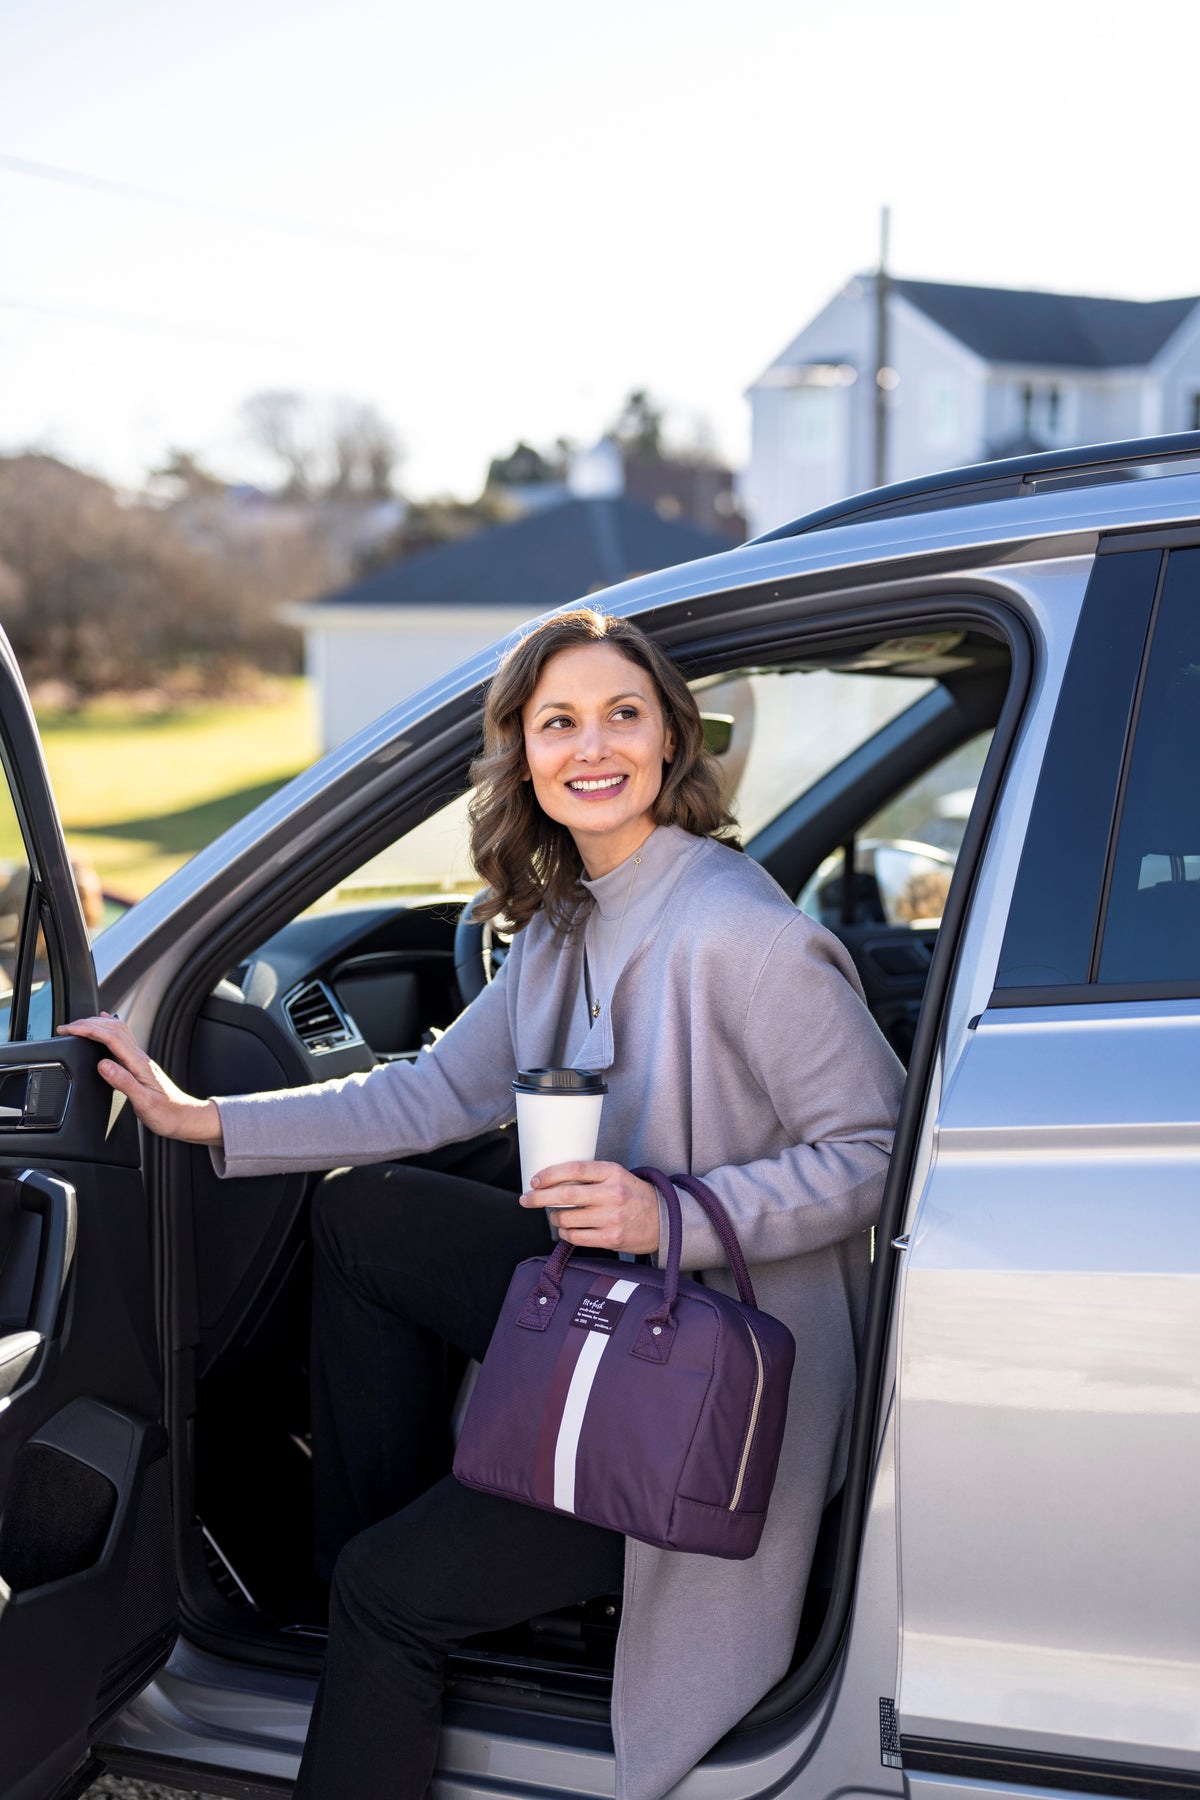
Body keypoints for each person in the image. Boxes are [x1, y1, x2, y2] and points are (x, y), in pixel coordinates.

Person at [60, 609, 905, 1800]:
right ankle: (370, 1550)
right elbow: (433, 1094)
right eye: (558, 721)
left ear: (671, 738)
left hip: (710, 1396)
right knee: (367, 1218)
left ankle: (388, 1591)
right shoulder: (565, 927)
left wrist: (679, 1216)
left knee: (389, 1600)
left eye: (623, 713)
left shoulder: (744, 938)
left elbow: (878, 1148)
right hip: (618, 1312)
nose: (592, 745)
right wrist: (205, 1117)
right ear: (522, 752)